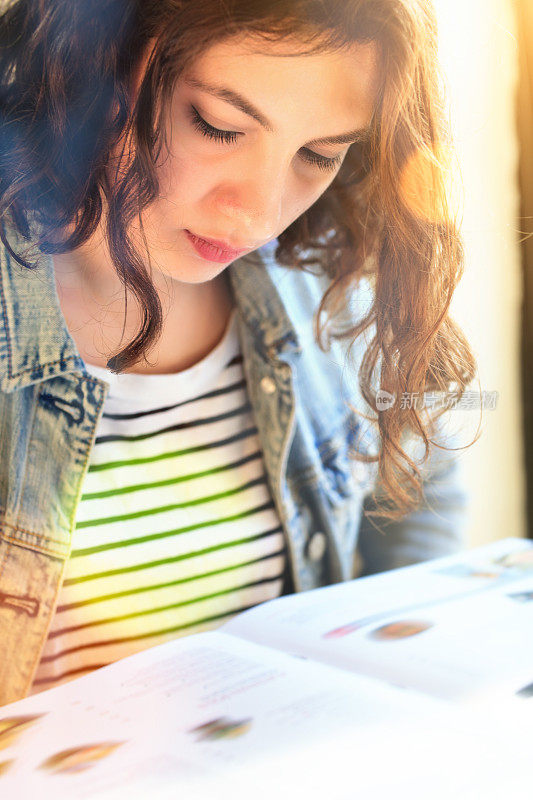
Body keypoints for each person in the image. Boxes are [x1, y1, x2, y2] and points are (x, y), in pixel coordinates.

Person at [0, 0, 476, 705]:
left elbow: (420, 483)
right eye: (218, 126)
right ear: (91, 55)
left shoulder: (320, 281)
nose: (258, 213)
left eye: (319, 155)